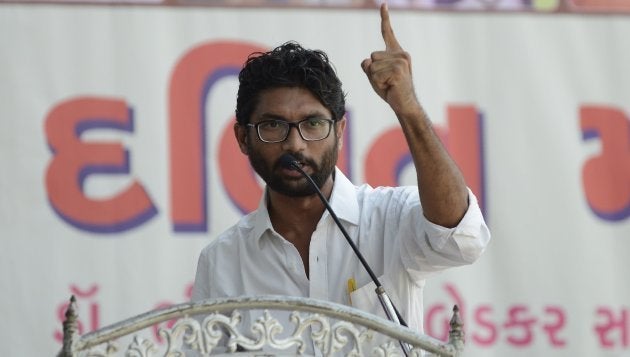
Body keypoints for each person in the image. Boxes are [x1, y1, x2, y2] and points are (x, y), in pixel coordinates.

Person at [191, 2, 490, 351]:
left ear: (340, 131)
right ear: (243, 138)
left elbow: (462, 239)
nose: (295, 144)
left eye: (313, 124)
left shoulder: (389, 217)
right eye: (273, 125)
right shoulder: (222, 261)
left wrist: (407, 107)